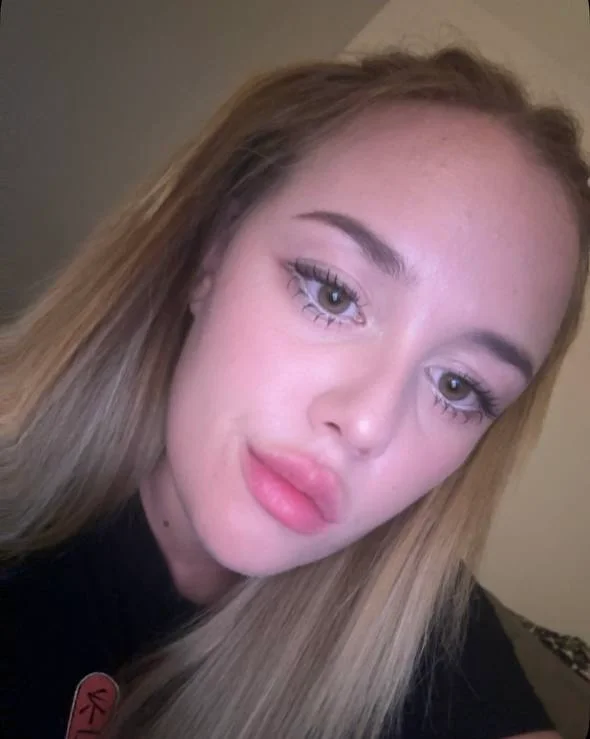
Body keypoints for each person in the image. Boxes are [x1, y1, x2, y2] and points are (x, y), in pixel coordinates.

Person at [2, 45, 589, 739]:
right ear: (213, 252)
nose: (367, 422)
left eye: (458, 386)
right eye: (333, 293)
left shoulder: (431, 642)